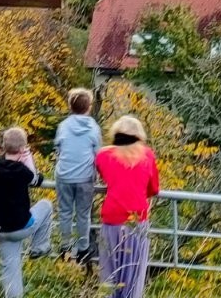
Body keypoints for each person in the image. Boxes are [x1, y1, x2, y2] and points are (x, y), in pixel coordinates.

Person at [95, 116, 160, 298]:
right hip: (137, 219)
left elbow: (103, 175)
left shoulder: (103, 155)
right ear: (139, 135)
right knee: (133, 276)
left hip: (112, 217)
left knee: (109, 275)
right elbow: (154, 189)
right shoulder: (147, 155)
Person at [0, 127, 52, 298]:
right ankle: (39, 246)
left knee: (11, 270)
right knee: (46, 205)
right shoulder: (22, 171)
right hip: (22, 225)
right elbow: (36, 179)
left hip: (1, 228)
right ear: (23, 148)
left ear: (4, 146)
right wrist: (28, 160)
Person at [55, 88, 101, 263]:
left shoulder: (63, 126)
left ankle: (65, 245)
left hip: (64, 175)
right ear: (89, 107)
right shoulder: (93, 128)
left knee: (65, 212)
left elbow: (59, 149)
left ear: (70, 106)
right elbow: (98, 154)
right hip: (84, 177)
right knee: (83, 214)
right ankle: (83, 249)